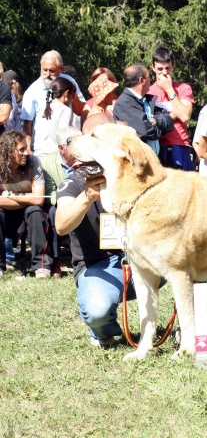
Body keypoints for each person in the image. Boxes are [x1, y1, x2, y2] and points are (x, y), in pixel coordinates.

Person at [55, 115, 137, 347]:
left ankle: (191, 327)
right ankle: (103, 330)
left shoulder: (133, 172)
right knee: (97, 310)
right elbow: (61, 225)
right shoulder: (74, 182)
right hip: (98, 265)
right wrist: (88, 196)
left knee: (194, 260)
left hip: (143, 258)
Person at [0, 130, 51, 278]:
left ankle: (41, 266)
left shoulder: (33, 162)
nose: (26, 153)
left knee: (35, 211)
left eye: (26, 148)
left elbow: (39, 199)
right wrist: (26, 198)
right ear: (9, 151)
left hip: (27, 214)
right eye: (21, 149)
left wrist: (10, 195)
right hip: (5, 215)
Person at [21, 50, 85, 150]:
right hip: (44, 148)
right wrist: (28, 148)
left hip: (71, 147)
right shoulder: (32, 91)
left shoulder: (69, 82)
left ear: (61, 68)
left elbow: (82, 109)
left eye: (52, 70)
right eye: (44, 70)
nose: (47, 74)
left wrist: (71, 94)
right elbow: (27, 123)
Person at [41, 126, 82, 277]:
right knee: (53, 212)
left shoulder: (86, 159)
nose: (80, 150)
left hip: (84, 201)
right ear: (61, 148)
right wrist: (66, 198)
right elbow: (48, 192)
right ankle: (56, 261)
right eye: (75, 146)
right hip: (59, 204)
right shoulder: (46, 163)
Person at [147, 47, 195, 170]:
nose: (164, 73)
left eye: (167, 68)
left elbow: (184, 117)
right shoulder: (148, 91)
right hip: (156, 146)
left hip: (179, 144)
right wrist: (174, 114)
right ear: (153, 68)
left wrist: (169, 90)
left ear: (173, 67)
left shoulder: (184, 88)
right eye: (160, 69)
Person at [113, 64, 174, 155]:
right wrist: (158, 128)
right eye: (149, 77)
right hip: (137, 163)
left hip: (154, 161)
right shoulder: (124, 104)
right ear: (141, 80)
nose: (151, 80)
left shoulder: (148, 100)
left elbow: (169, 122)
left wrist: (156, 120)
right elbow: (146, 131)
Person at [32, 77, 76, 158]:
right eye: (73, 95)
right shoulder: (65, 110)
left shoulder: (42, 108)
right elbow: (63, 137)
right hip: (53, 158)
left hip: (37, 156)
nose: (73, 100)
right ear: (66, 93)